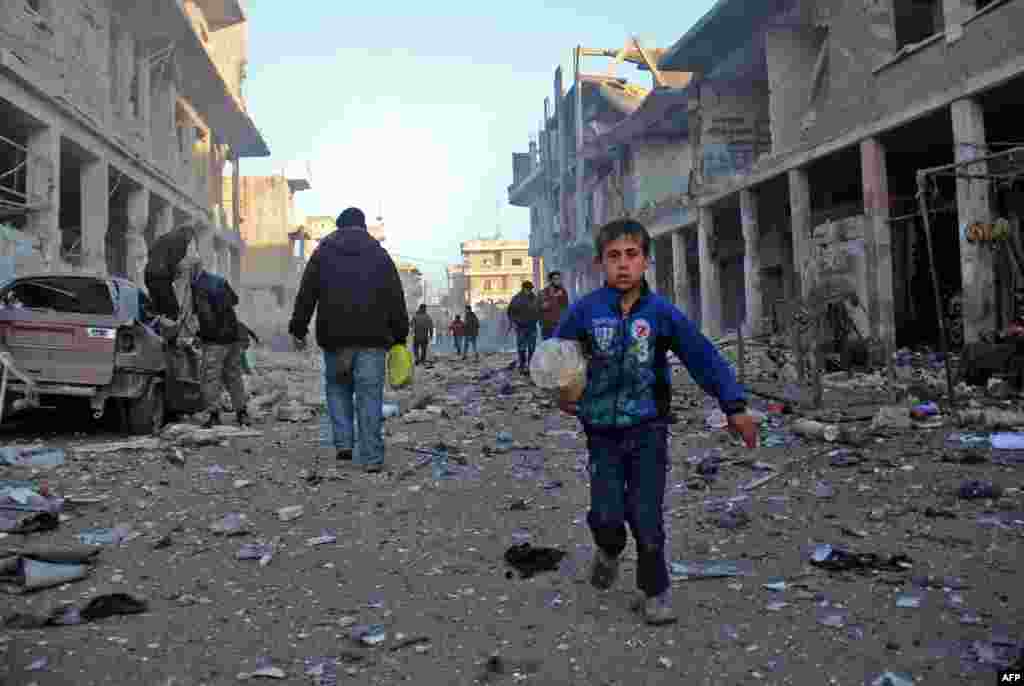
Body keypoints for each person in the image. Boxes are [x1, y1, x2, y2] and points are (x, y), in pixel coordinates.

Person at [553, 218, 758, 626]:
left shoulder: (662, 314)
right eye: (614, 256)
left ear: (645, 261)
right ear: (600, 263)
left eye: (632, 255)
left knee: (647, 516)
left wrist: (734, 407)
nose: (623, 264)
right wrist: (563, 389)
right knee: (607, 514)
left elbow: (702, 356)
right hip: (601, 431)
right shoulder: (585, 312)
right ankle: (609, 550)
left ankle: (655, 590)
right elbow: (558, 354)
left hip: (648, 428)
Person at [289, 207, 409, 474]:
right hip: (373, 340)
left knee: (338, 388)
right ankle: (372, 458)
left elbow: (307, 292)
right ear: (363, 226)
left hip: (335, 338)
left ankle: (344, 443)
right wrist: (400, 333)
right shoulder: (379, 254)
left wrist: (298, 327)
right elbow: (395, 295)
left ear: (339, 226)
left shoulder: (323, 252)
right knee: (369, 396)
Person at [185, 258, 250, 428]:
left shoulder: (199, 287)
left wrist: (200, 335)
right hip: (233, 336)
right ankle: (242, 413)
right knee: (233, 375)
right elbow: (234, 300)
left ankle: (213, 415)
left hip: (216, 341)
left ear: (192, 271)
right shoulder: (219, 280)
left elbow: (206, 317)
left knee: (210, 377)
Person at [144, 223, 198, 320]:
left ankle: (151, 322)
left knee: (157, 308)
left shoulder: (164, 237)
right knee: (172, 310)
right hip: (160, 277)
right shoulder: (181, 241)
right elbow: (173, 261)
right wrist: (176, 272)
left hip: (149, 275)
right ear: (187, 234)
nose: (190, 240)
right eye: (191, 236)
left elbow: (150, 252)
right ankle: (165, 330)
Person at [507, 281, 540, 374]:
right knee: (522, 348)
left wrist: (537, 319)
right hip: (521, 327)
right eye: (527, 289)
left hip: (532, 326)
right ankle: (522, 365)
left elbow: (538, 310)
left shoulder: (534, 298)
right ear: (523, 288)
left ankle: (530, 365)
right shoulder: (516, 299)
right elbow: (510, 312)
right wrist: (515, 322)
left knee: (532, 348)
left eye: (530, 289)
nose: (529, 290)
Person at [539, 271, 570, 340]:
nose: (558, 281)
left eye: (559, 279)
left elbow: (566, 307)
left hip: (560, 325)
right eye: (555, 279)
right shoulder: (543, 292)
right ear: (550, 280)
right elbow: (543, 306)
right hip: (548, 326)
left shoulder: (563, 292)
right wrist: (555, 296)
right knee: (548, 347)